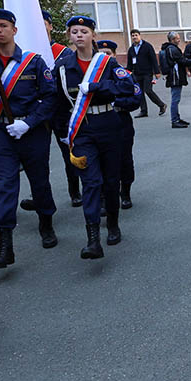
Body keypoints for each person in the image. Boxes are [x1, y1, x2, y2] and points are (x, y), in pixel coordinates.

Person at [0, 8, 59, 269]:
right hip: (2, 133)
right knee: (5, 186)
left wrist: (29, 122)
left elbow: (50, 97)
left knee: (40, 181)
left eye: (3, 25)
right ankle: (5, 245)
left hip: (32, 131)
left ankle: (46, 223)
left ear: (14, 30)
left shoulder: (33, 62)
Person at [52, 15, 134, 258]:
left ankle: (113, 224)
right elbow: (56, 102)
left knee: (111, 180)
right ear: (69, 36)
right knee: (91, 182)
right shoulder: (63, 67)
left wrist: (99, 87)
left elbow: (127, 87)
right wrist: (62, 133)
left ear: (93, 36)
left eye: (84, 31)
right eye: (74, 31)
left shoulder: (107, 64)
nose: (79, 35)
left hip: (108, 125)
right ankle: (92, 239)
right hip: (82, 129)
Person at [22, 9, 79, 209]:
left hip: (61, 111)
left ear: (50, 26)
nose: (39, 26)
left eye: (43, 22)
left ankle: (75, 192)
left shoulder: (63, 52)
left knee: (69, 153)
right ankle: (38, 195)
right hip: (37, 113)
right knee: (37, 158)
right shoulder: (25, 53)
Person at [101, 39, 141, 209]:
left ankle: (125, 191)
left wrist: (115, 101)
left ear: (115, 55)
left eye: (108, 53)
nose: (104, 57)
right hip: (100, 123)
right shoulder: (93, 77)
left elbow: (135, 99)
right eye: (101, 54)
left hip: (120, 121)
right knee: (101, 162)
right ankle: (104, 196)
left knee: (124, 159)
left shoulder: (124, 74)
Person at [126, 29, 165, 118]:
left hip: (147, 73)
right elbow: (129, 63)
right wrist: (128, 74)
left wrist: (157, 71)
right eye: (133, 35)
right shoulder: (131, 49)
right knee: (139, 92)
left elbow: (153, 59)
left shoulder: (147, 46)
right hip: (137, 74)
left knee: (148, 90)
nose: (134, 37)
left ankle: (161, 105)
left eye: (136, 35)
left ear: (140, 36)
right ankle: (143, 111)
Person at [159, 31, 190, 129]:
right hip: (175, 77)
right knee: (175, 99)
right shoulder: (172, 49)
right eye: (177, 38)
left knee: (176, 98)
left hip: (174, 77)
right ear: (172, 40)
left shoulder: (170, 48)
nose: (179, 40)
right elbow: (181, 61)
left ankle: (177, 118)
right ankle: (175, 120)